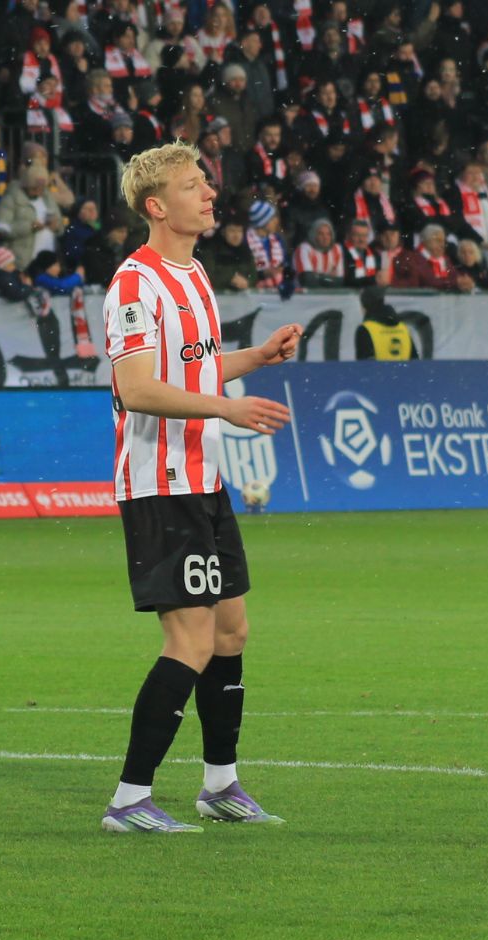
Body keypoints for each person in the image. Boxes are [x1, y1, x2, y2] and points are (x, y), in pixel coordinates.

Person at [99, 139, 302, 833]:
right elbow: (136, 388)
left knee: (230, 631)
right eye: (193, 185)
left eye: (206, 182)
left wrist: (258, 358)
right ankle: (129, 799)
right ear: (157, 206)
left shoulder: (194, 275)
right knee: (188, 640)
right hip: (160, 485)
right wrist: (226, 407)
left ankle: (220, 784)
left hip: (203, 478)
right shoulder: (135, 284)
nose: (210, 193)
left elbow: (197, 367)